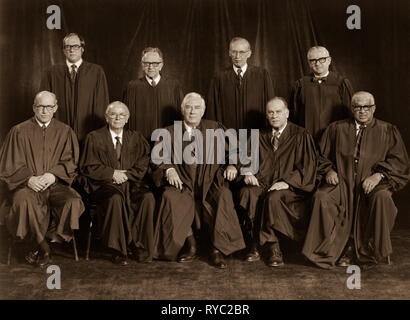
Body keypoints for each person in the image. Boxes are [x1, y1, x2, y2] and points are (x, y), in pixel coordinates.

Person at [303, 91, 410, 269]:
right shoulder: (336, 128)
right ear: (352, 109)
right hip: (341, 182)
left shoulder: (387, 130)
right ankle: (330, 249)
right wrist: (329, 171)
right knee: (321, 197)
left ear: (373, 108)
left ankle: (370, 249)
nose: (362, 111)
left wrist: (378, 175)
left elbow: (399, 162)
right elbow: (320, 156)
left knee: (382, 197)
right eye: (357, 107)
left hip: (370, 183)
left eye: (366, 107)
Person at [151, 92, 245, 268]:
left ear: (203, 111)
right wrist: (169, 169)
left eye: (197, 108)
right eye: (188, 107)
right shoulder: (168, 132)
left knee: (223, 195)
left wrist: (233, 165)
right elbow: (157, 158)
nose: (192, 111)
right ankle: (190, 244)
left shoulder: (216, 128)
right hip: (182, 183)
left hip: (210, 183)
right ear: (182, 110)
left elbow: (236, 150)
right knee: (170, 197)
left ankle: (217, 249)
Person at [0, 91, 84, 267]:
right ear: (34, 108)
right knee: (23, 201)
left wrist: (53, 175)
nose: (45, 111)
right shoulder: (18, 131)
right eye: (40, 106)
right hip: (27, 186)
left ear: (56, 108)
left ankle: (43, 241)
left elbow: (71, 162)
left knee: (73, 201)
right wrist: (28, 179)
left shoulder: (65, 131)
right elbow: (9, 164)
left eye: (49, 107)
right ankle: (44, 247)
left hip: (54, 185)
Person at [238, 97, 317, 266]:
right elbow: (244, 158)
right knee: (248, 193)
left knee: (273, 197)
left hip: (289, 188)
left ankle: (274, 248)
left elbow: (308, 167)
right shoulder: (258, 135)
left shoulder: (300, 134)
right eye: (270, 112)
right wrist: (248, 171)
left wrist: (287, 182)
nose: (274, 116)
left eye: (278, 112)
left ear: (287, 113)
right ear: (267, 115)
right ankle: (255, 244)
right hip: (263, 183)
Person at [79, 101, 155, 265]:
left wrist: (127, 175)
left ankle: (139, 245)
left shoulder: (136, 138)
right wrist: (112, 173)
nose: (117, 118)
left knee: (147, 197)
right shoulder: (94, 137)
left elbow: (144, 162)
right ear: (107, 118)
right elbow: (88, 166)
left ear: (127, 119)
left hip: (131, 183)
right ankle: (117, 249)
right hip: (104, 185)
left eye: (122, 115)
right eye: (113, 114)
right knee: (115, 198)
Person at [40, 33, 109, 142]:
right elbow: (43, 104)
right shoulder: (52, 73)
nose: (71, 50)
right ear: (63, 50)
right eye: (68, 47)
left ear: (82, 49)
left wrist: (97, 134)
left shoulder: (96, 72)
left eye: (75, 46)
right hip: (58, 134)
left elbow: (101, 104)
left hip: (88, 132)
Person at [207, 37, 275, 131]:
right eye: (234, 52)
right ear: (229, 53)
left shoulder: (262, 75)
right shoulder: (219, 78)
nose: (237, 56)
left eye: (242, 52)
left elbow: (271, 105)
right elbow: (212, 110)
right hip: (227, 134)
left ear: (249, 53)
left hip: (256, 134)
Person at [290, 46, 354, 141]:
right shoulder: (300, 85)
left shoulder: (341, 83)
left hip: (335, 138)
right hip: (308, 139)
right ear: (309, 63)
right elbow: (294, 114)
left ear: (329, 60)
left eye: (322, 59)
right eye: (313, 60)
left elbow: (350, 113)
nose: (317, 63)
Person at [123, 47, 184, 140]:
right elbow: (125, 118)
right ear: (142, 65)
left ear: (161, 65)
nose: (150, 67)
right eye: (146, 63)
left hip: (167, 142)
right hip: (140, 142)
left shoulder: (173, 86)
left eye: (155, 64)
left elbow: (181, 116)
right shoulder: (132, 87)